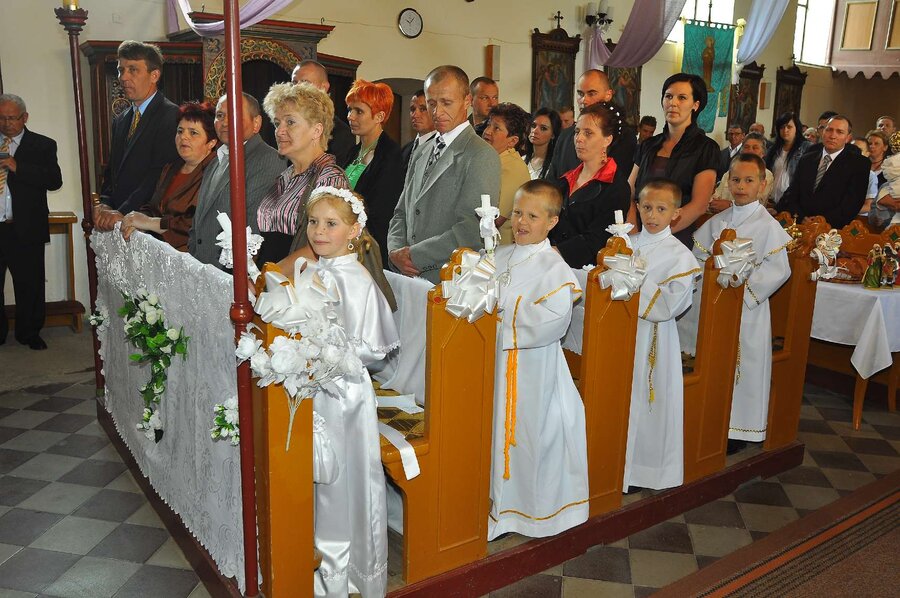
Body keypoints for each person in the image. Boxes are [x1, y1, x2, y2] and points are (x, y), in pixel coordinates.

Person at [302, 187, 399, 597]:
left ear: (354, 230)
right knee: (320, 477)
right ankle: (315, 556)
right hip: (316, 388)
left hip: (343, 395)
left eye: (331, 224)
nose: (319, 231)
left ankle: (341, 571)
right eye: (313, 222)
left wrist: (325, 351)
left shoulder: (355, 280)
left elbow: (371, 351)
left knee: (341, 480)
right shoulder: (316, 270)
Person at [488, 179, 587, 539]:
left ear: (552, 221)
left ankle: (527, 512)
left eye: (532, 216)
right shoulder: (498, 256)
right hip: (494, 365)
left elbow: (553, 321)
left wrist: (498, 320)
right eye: (517, 213)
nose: (521, 222)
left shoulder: (554, 268)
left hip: (534, 371)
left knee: (530, 436)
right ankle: (495, 506)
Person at [691, 154, 791, 453]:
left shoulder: (767, 226)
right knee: (715, 361)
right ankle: (713, 419)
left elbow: (778, 269)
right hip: (716, 307)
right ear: (727, 182)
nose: (741, 186)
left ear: (762, 185)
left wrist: (742, 290)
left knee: (744, 365)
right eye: (735, 180)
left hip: (748, 310)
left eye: (749, 180)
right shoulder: (717, 221)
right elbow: (698, 259)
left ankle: (739, 427)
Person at [387, 65, 501, 283]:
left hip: (447, 278)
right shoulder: (421, 150)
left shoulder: (480, 154)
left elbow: (472, 229)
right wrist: (395, 251)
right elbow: (401, 211)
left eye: (446, 103)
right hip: (406, 275)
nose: (437, 112)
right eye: (431, 103)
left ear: (467, 101)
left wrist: (414, 255)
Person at [623, 179, 699, 493]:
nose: (652, 215)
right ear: (637, 207)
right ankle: (616, 463)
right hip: (621, 336)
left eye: (661, 209)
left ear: (676, 213)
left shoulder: (679, 256)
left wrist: (635, 279)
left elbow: (669, 305)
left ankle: (644, 471)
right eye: (647, 207)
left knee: (648, 399)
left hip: (652, 339)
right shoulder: (625, 244)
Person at [255, 83, 349, 266]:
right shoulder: (285, 177)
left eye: (290, 122)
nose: (279, 131)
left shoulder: (329, 179)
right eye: (277, 123)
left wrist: (269, 275)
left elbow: (323, 249)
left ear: (316, 130)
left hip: (300, 280)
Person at [188, 93, 283, 267]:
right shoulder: (216, 160)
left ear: (256, 123)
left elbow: (253, 230)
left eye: (234, 115)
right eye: (220, 115)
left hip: (231, 274)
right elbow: (198, 221)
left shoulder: (268, 160)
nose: (224, 122)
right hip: (201, 269)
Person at [95, 41, 179, 231]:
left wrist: (123, 212)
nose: (123, 77)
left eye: (133, 70)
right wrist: (106, 204)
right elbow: (112, 171)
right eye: (121, 70)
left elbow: (157, 177)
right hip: (118, 221)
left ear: (154, 75)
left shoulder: (170, 116)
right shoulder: (121, 119)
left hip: (146, 222)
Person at [0, 94, 62, 350]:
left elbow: (54, 181)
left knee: (30, 284)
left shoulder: (43, 145)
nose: (6, 123)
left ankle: (29, 332)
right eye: (1, 118)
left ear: (24, 117)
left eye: (12, 118)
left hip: (25, 227)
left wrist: (19, 167)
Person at [629, 73, 720, 247]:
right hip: (638, 233)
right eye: (668, 96)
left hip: (676, 237)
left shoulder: (706, 148)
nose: (673, 103)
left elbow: (699, 205)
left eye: (682, 98)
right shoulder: (648, 145)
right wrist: (634, 232)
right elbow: (629, 192)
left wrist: (657, 235)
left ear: (696, 105)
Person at [120, 102, 217, 250]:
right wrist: (137, 221)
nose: (183, 137)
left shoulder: (216, 173)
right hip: (161, 251)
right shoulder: (171, 168)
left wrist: (150, 223)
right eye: (180, 131)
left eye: (193, 133)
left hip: (193, 255)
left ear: (211, 143)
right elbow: (153, 207)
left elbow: (195, 223)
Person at [549, 102, 631, 268]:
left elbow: (598, 239)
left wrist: (551, 254)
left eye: (588, 133)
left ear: (607, 139)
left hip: (586, 271)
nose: (579, 138)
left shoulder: (616, 187)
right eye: (577, 131)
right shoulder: (565, 179)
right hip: (551, 262)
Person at [344, 80, 404, 265]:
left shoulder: (391, 155)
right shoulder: (352, 152)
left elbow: (382, 213)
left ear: (379, 116)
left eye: (359, 111)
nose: (350, 116)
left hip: (369, 249)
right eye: (350, 109)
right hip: (345, 242)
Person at [776, 115, 871, 228]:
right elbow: (792, 193)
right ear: (823, 132)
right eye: (829, 130)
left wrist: (821, 222)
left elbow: (852, 204)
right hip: (801, 224)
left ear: (848, 137)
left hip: (833, 229)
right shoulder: (807, 159)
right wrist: (801, 217)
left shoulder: (859, 164)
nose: (832, 136)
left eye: (839, 132)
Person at [545, 71, 636, 186]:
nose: (584, 100)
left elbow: (620, 182)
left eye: (591, 94)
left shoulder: (624, 136)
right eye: (580, 94)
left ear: (608, 95)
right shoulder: (565, 136)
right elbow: (552, 180)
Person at [291, 60, 356, 168]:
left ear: (323, 87)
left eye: (305, 82)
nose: (297, 89)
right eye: (294, 83)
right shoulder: (289, 126)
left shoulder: (341, 134)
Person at [482, 103, 532, 245]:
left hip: (499, 249)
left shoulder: (514, 169)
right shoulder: (491, 159)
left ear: (512, 141)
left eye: (496, 128)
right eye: (489, 124)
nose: (487, 131)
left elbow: (495, 220)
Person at [709, 132, 774, 212]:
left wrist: (730, 205)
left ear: (763, 153)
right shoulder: (730, 172)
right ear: (741, 151)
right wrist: (713, 203)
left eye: (755, 148)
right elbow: (716, 196)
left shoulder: (767, 175)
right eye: (746, 147)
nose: (750, 151)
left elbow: (758, 203)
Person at [764, 112, 810, 206]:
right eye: (782, 127)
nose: (785, 130)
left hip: (793, 200)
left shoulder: (806, 148)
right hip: (772, 198)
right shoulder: (773, 149)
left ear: (796, 128)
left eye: (789, 127)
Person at [400, 90, 435, 175]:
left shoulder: (441, 147)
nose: (415, 115)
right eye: (412, 109)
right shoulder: (405, 150)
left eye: (422, 109)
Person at [524, 108, 561, 180]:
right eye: (533, 126)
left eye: (543, 128)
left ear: (553, 135)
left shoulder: (556, 165)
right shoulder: (521, 160)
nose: (535, 131)